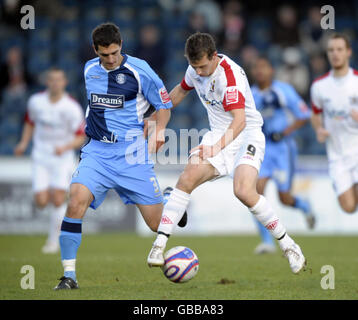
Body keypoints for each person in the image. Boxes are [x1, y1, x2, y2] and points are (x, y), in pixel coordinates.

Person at [147, 32, 306, 274]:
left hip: (246, 134)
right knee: (187, 179)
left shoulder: (229, 76)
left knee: (243, 191)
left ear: (213, 56)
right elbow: (179, 91)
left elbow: (240, 121)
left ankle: (289, 246)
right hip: (219, 134)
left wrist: (215, 147)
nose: (198, 72)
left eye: (201, 66)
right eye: (193, 66)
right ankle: (159, 246)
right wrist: (154, 114)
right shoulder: (195, 69)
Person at [53, 22, 174, 290]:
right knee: (76, 200)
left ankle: (169, 199)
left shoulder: (141, 71)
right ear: (95, 50)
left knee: (157, 224)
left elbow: (164, 104)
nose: (109, 59)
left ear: (121, 46)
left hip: (132, 154)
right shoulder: (89, 70)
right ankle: (69, 276)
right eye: (103, 54)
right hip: (97, 152)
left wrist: (159, 129)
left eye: (114, 53)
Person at [14, 67, 85, 254]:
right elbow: (29, 124)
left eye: (59, 80)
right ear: (47, 82)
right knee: (41, 201)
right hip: (41, 156)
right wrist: (23, 143)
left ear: (64, 82)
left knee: (58, 198)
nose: (55, 83)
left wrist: (65, 147)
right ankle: (48, 216)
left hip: (62, 158)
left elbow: (81, 136)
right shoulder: (36, 102)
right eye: (52, 80)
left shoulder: (71, 107)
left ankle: (54, 240)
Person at [250, 56, 316, 254]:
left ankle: (304, 206)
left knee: (284, 198)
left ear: (271, 70)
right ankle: (267, 242)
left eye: (264, 67)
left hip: (282, 149)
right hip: (262, 149)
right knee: (254, 194)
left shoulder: (283, 90)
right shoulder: (250, 94)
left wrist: (284, 132)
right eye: (257, 67)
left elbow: (304, 115)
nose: (260, 71)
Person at [311, 32, 358, 214]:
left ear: (348, 52)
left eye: (339, 49)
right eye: (331, 50)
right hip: (337, 156)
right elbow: (315, 114)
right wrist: (319, 129)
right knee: (348, 207)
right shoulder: (319, 86)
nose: (335, 54)